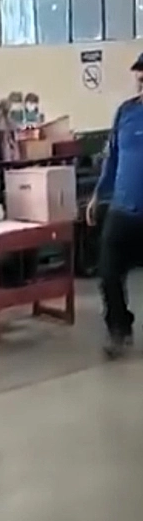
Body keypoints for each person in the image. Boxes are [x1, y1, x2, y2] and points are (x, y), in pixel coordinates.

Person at [85, 54, 143, 358]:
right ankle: (119, 328)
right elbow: (113, 158)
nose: (141, 77)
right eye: (139, 73)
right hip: (122, 208)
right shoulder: (126, 112)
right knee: (108, 274)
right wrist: (97, 194)